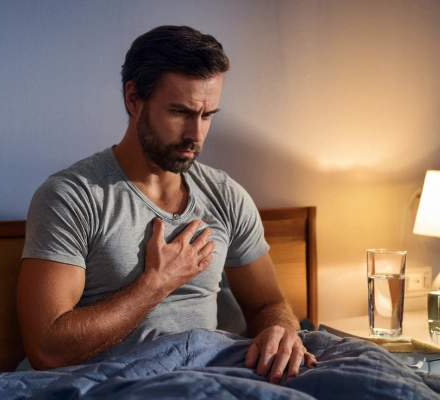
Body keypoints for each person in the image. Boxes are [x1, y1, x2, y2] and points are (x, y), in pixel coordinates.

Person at [16, 25, 316, 384]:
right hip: (120, 384)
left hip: (211, 375)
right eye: (180, 112)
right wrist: (156, 284)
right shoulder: (72, 196)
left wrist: (280, 332)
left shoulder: (226, 195)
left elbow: (268, 305)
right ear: (133, 99)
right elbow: (47, 349)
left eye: (207, 116)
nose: (196, 134)